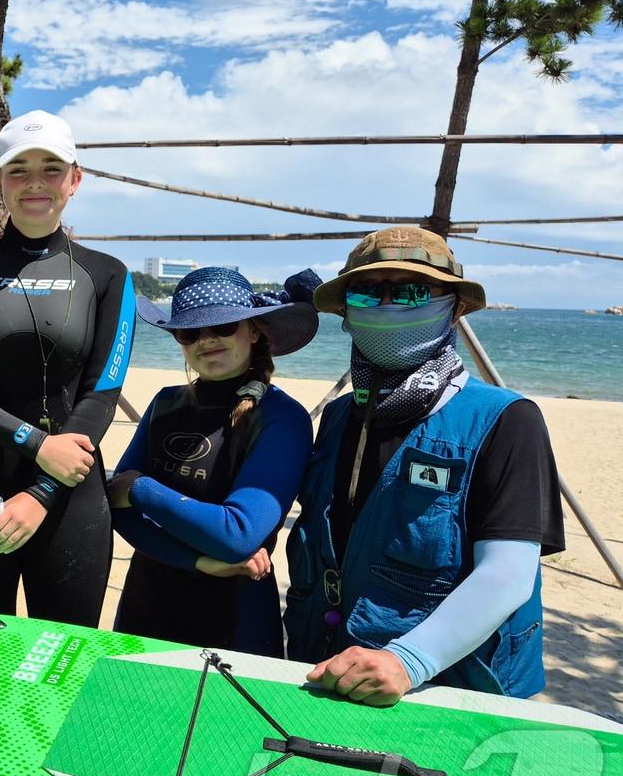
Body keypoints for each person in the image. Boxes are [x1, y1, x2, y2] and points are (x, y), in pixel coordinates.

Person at [284, 226, 565, 706]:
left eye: (413, 291)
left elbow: (508, 573)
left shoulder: (506, 419)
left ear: (455, 308)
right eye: (368, 293)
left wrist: (409, 660)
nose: (389, 305)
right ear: (347, 314)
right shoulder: (338, 416)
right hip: (327, 665)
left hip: (451, 686)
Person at [0, 110, 135, 627]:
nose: (34, 183)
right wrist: (37, 443)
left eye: (51, 168)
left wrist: (42, 491)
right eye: (18, 169)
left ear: (75, 180)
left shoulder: (107, 275)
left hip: (68, 490)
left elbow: (102, 394)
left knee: (62, 654)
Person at [106, 267, 319, 655]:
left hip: (235, 619)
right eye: (191, 332)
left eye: (223, 327)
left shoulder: (281, 418)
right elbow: (114, 512)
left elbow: (237, 534)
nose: (207, 340)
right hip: (145, 606)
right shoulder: (165, 404)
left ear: (254, 330)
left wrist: (139, 488)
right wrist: (200, 562)